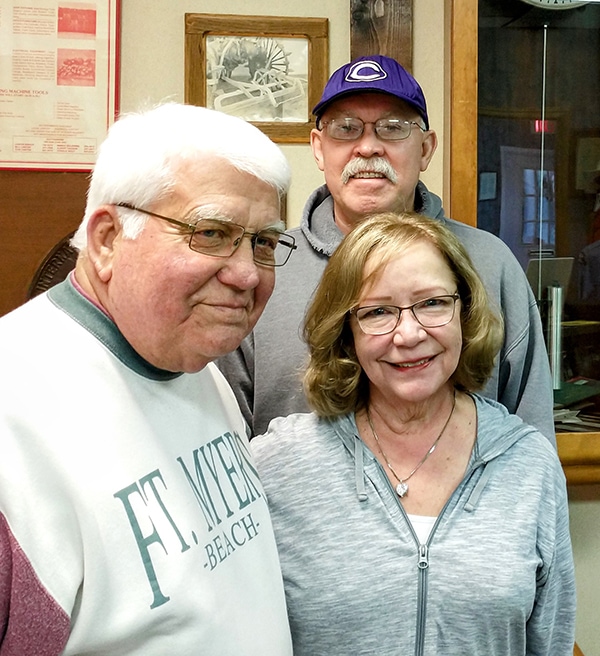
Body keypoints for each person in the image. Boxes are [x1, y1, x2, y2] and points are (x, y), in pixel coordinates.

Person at [0, 103, 296, 655]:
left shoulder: (196, 366)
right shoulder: (14, 413)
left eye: (264, 243)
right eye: (211, 232)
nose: (248, 274)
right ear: (108, 239)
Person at [251, 212, 576, 655]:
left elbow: (550, 643)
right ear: (346, 331)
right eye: (378, 311)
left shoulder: (530, 466)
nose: (409, 334)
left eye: (432, 303)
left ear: (465, 310)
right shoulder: (277, 466)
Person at [217, 54, 556, 443]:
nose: (367, 148)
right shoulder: (263, 266)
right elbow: (224, 439)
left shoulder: (491, 264)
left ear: (426, 149)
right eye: (346, 129)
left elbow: (532, 440)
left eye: (392, 128)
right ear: (318, 147)